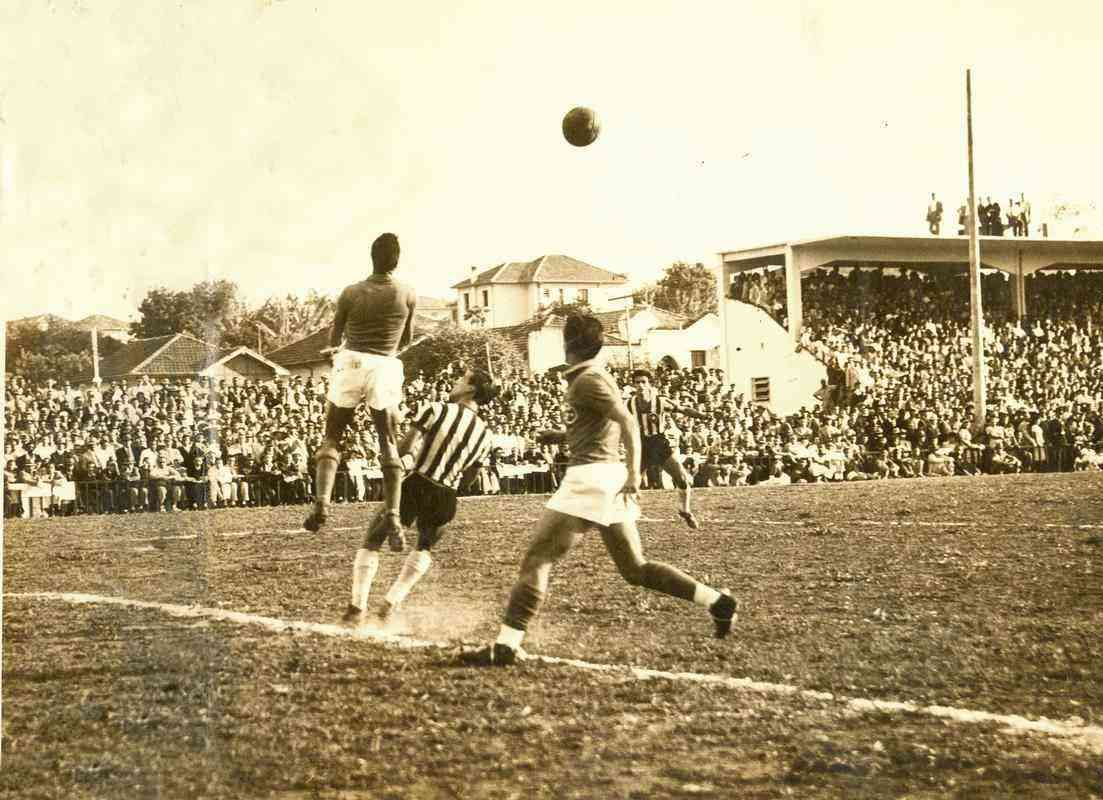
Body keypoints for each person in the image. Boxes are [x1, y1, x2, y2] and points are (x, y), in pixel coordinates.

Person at [460, 314, 737, 667]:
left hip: (591, 478)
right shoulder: (584, 378)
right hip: (603, 477)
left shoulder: (589, 379)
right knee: (635, 569)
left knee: (537, 559)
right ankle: (717, 601)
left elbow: (627, 421)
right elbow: (601, 425)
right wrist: (560, 436)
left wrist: (635, 474)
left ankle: (506, 645)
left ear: (568, 343)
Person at [342, 367, 499, 626]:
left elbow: (404, 448)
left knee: (373, 539)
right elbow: (472, 476)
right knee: (424, 547)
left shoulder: (437, 410)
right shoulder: (485, 434)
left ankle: (357, 607)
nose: (455, 382)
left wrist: (392, 438)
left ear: (470, 388)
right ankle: (391, 603)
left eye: (461, 379)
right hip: (446, 494)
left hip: (417, 483)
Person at [304, 232, 417, 546]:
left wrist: (336, 352)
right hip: (385, 363)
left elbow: (334, 336)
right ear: (397, 259)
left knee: (332, 436)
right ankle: (393, 515)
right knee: (388, 440)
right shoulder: (407, 293)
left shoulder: (352, 292)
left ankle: (322, 505)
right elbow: (406, 340)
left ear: (372, 257)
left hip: (351, 360)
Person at [626, 369, 711, 529]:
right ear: (633, 385)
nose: (640, 385)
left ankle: (684, 510)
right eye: (637, 382)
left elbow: (683, 409)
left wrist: (702, 415)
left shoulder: (660, 401)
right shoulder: (628, 403)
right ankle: (624, 515)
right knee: (631, 483)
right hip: (641, 444)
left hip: (659, 443)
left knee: (682, 479)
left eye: (643, 382)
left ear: (649, 384)